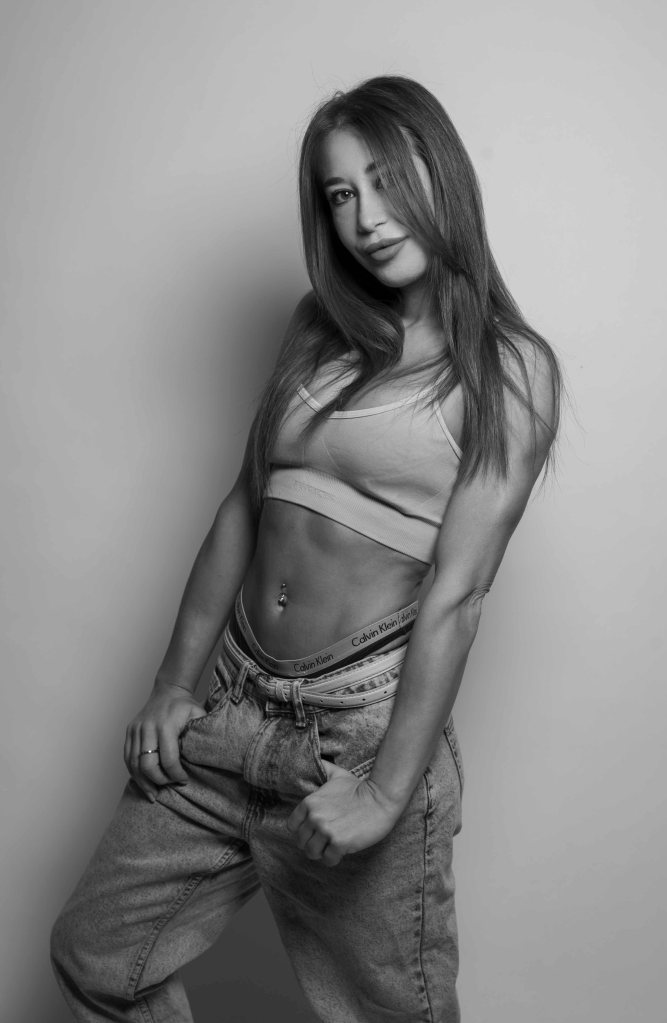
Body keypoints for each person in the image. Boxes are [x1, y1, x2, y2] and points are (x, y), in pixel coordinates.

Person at [51, 75, 561, 1023]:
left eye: (386, 180)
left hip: (357, 733)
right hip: (234, 703)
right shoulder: (314, 326)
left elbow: (458, 594)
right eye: (339, 195)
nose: (365, 218)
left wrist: (387, 791)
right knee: (97, 954)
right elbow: (244, 506)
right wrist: (173, 683)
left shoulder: (507, 368)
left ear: (442, 174)